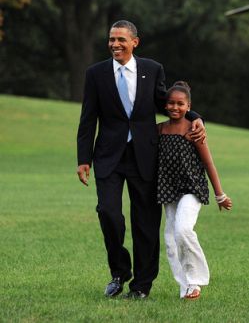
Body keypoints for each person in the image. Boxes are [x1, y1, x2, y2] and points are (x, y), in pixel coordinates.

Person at [76, 20, 205, 299]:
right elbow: (88, 118)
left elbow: (166, 103)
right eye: (111, 39)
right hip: (108, 156)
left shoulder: (152, 69)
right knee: (108, 213)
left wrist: (195, 117)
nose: (115, 44)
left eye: (121, 39)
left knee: (145, 221)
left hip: (145, 155)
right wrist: (83, 158)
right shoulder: (95, 73)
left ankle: (141, 285)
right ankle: (119, 272)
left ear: (135, 42)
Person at [157, 81, 232, 300]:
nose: (175, 107)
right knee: (170, 241)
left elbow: (209, 164)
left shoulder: (194, 130)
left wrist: (220, 194)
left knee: (182, 230)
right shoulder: (159, 130)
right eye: (171, 103)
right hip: (168, 190)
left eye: (180, 104)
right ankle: (185, 287)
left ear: (188, 107)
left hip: (192, 189)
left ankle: (196, 280)